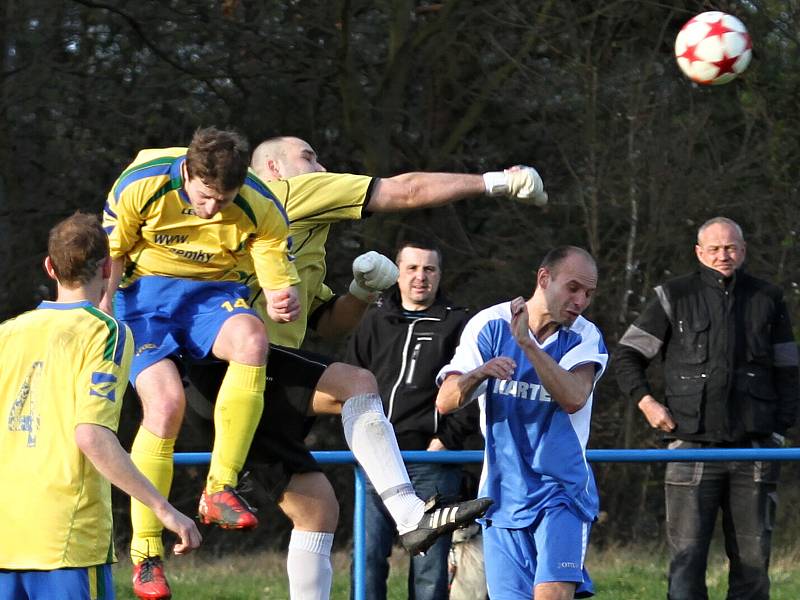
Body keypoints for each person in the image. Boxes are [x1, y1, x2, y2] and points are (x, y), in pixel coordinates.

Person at [180, 135, 548, 600]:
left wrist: (359, 291)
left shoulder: (295, 237)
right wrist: (498, 181)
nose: (323, 165)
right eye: (309, 157)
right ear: (273, 168)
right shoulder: (285, 192)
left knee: (317, 509)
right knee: (357, 384)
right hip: (228, 367)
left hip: (242, 382)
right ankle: (410, 513)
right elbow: (405, 191)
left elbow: (326, 325)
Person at [100, 127, 301, 599]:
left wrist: (281, 298)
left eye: (224, 200)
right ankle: (147, 556)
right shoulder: (141, 183)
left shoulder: (260, 203)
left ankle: (220, 487)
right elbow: (109, 257)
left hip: (213, 295)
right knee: (165, 405)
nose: (212, 209)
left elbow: (276, 275)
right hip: (142, 297)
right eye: (205, 196)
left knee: (253, 339)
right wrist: (102, 316)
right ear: (188, 173)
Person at [0, 213, 201, 600]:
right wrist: (163, 509)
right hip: (64, 538)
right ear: (109, 267)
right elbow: (91, 435)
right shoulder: (104, 331)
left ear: (49, 267)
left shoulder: (8, 333)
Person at [614, 216, 799, 600]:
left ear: (743, 251)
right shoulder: (672, 295)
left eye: (730, 247)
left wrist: (778, 432)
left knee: (753, 568)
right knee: (686, 566)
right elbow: (627, 355)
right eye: (714, 249)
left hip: (755, 450)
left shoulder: (769, 298)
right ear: (699, 252)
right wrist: (647, 403)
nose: (723, 255)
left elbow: (789, 370)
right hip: (689, 448)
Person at [437, 246, 608, 600]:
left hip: (562, 493)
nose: (581, 301)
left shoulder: (585, 336)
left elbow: (575, 396)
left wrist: (528, 346)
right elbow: (446, 400)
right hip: (502, 498)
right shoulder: (489, 324)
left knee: (551, 594)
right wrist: (480, 373)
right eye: (573, 288)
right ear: (544, 279)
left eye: (588, 294)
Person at [345, 240, 479, 600]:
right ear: (397, 273)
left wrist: (445, 442)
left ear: (440, 275)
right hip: (375, 460)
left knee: (430, 567)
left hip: (431, 459)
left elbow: (473, 388)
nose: (421, 277)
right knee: (368, 557)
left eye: (429, 269)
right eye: (412, 268)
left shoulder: (460, 322)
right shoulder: (372, 319)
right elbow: (347, 382)